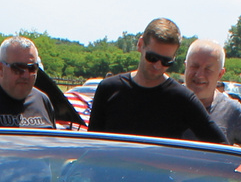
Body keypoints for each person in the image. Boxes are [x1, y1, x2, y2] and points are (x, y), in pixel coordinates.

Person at [86, 18, 223, 142]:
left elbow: (221, 145)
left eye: (166, 61)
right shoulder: (109, 88)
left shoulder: (181, 98)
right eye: (152, 57)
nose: (158, 65)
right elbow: (91, 143)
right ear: (140, 45)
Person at [181, 39, 241, 151]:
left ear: (220, 74)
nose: (199, 75)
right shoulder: (165, 103)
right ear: (186, 66)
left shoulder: (233, 112)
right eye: (194, 66)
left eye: (208, 69)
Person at [0, 36, 56, 129]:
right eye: (18, 68)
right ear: (1, 68)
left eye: (32, 68)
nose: (25, 75)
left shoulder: (42, 100)